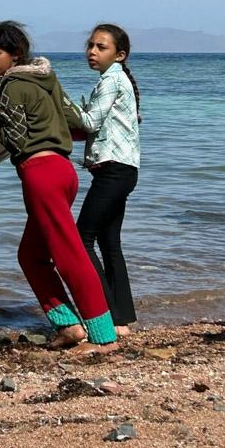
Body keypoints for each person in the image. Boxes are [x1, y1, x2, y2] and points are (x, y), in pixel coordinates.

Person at [0, 20, 118, 355]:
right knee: (32, 256)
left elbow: (17, 142)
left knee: (70, 257)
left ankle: (104, 338)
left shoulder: (13, 87)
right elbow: (77, 122)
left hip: (41, 174)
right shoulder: (47, 79)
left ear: (15, 55)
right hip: (64, 171)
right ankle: (70, 326)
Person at [65, 24, 141, 338]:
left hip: (112, 172)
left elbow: (89, 121)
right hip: (123, 171)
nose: (92, 52)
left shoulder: (111, 80)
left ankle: (105, 314)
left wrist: (58, 106)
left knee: (82, 241)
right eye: (91, 46)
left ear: (119, 55)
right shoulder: (119, 79)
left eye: (101, 47)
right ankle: (121, 320)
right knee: (109, 244)